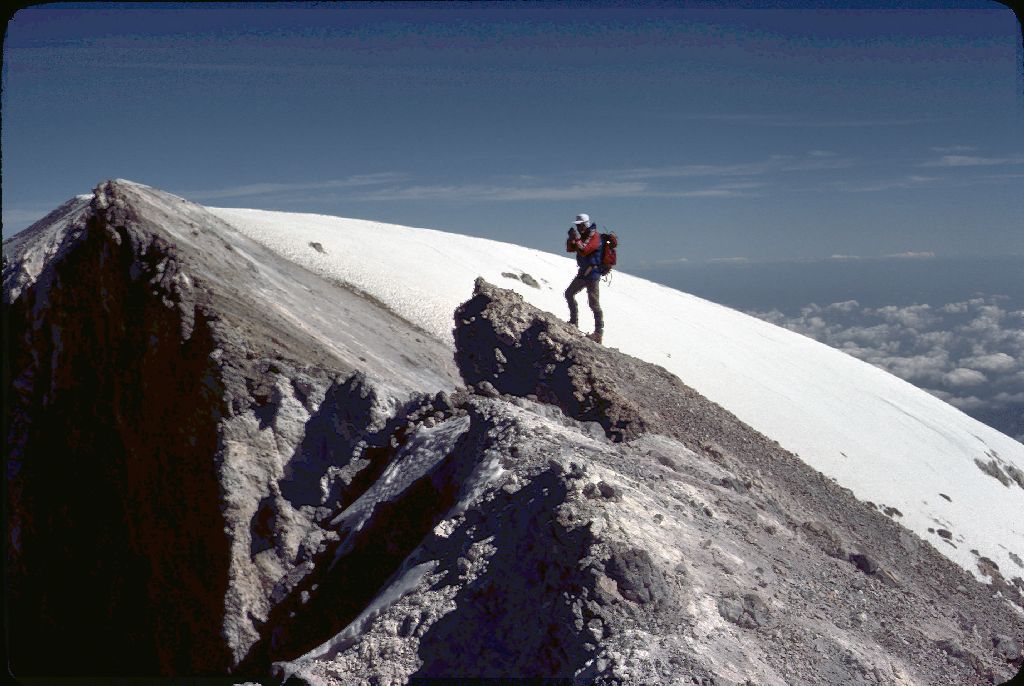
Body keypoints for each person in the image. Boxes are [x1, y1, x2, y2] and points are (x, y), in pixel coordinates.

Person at [564, 212, 604, 344]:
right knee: (569, 293)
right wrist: (571, 239)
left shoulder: (595, 237)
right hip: (584, 273)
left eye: (580, 225)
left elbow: (584, 250)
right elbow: (570, 249)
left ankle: (598, 333)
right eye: (578, 225)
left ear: (586, 224)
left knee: (594, 303)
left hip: (592, 274)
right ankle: (573, 322)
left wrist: (575, 239)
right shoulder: (584, 236)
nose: (579, 228)